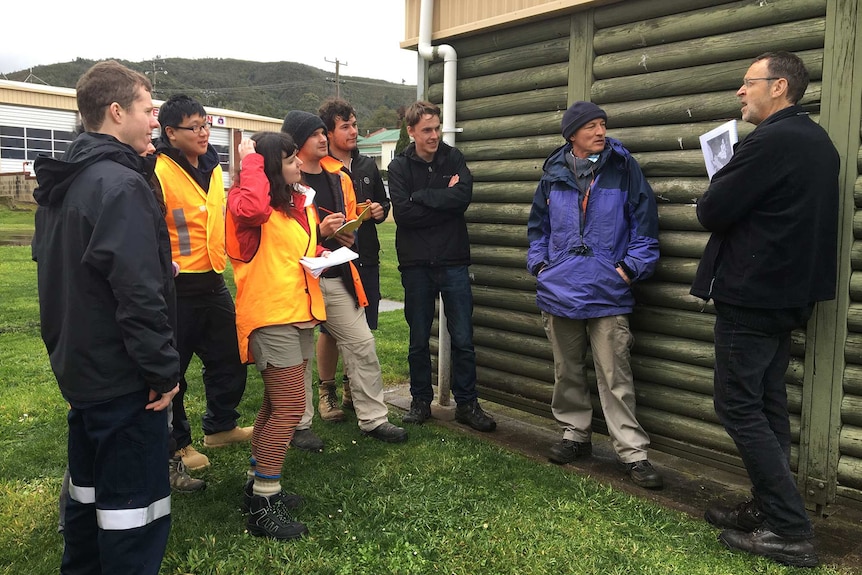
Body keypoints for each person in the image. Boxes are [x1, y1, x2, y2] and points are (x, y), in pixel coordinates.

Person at [32, 60, 180, 575]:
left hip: (81, 369)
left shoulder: (67, 181)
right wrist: (163, 371)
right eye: (148, 110)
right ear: (117, 112)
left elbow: (76, 274)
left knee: (87, 496)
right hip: (123, 379)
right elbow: (137, 294)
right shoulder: (120, 184)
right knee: (132, 512)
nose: (154, 122)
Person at [691, 51, 839, 568]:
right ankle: (771, 509)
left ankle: (791, 531)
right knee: (767, 403)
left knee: (737, 405)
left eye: (747, 83)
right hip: (787, 297)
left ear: (779, 88)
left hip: (752, 295)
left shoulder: (770, 141)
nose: (739, 92)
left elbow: (712, 210)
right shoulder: (818, 142)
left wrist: (725, 171)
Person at [526, 100, 663, 489]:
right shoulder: (553, 174)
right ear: (573, 135)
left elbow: (645, 226)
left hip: (608, 290)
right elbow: (538, 228)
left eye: (603, 124)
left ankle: (633, 454)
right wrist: (541, 266)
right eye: (591, 127)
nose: (600, 132)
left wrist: (628, 269)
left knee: (615, 375)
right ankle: (575, 435)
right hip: (560, 290)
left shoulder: (624, 168)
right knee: (566, 370)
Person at [227, 132, 340, 539]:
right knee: (292, 408)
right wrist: (251, 160)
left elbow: (289, 253)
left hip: (298, 313)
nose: (299, 165)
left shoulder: (294, 205)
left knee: (277, 406)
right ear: (272, 166)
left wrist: (320, 258)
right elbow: (253, 209)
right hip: (269, 316)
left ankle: (258, 482)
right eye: (290, 160)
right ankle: (263, 503)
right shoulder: (247, 201)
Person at [281, 110, 407, 447]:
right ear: (296, 142)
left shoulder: (340, 178)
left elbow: (349, 222)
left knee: (362, 343)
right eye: (315, 134)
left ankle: (374, 419)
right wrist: (318, 234)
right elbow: (278, 236)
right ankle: (299, 425)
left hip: (337, 274)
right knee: (299, 354)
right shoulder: (283, 181)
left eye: (324, 133)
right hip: (298, 280)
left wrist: (349, 231)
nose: (323, 139)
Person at [154, 95, 252, 474]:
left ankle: (221, 425)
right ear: (171, 133)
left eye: (206, 125)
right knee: (172, 371)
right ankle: (178, 445)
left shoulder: (213, 166)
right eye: (194, 127)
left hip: (213, 279)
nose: (204, 133)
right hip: (176, 286)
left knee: (230, 355)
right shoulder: (157, 171)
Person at [387, 100, 496, 433]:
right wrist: (440, 200)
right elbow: (403, 214)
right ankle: (420, 401)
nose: (434, 136)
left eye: (436, 128)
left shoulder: (454, 158)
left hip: (453, 261)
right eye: (426, 130)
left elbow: (461, 198)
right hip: (416, 263)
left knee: (462, 337)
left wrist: (421, 196)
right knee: (419, 338)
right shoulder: (399, 167)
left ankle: (467, 404)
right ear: (411, 132)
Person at [314, 97, 391, 421]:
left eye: (355, 124)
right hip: (332, 261)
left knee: (363, 327)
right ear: (328, 133)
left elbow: (384, 207)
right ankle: (326, 390)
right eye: (345, 126)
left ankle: (351, 387)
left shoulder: (365, 165)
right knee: (330, 331)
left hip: (365, 256)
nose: (353, 131)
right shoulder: (321, 169)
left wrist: (377, 211)